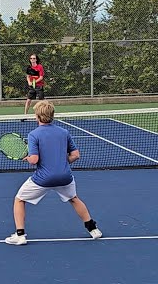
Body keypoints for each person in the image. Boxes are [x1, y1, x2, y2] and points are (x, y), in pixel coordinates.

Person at [5, 100, 101, 245]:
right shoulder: (64, 132)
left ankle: (20, 235)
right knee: (74, 198)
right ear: (52, 115)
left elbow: (34, 159)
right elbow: (75, 155)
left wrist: (28, 159)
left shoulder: (33, 135)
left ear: (37, 116)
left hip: (43, 178)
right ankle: (93, 229)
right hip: (65, 177)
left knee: (19, 199)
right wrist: (60, 162)